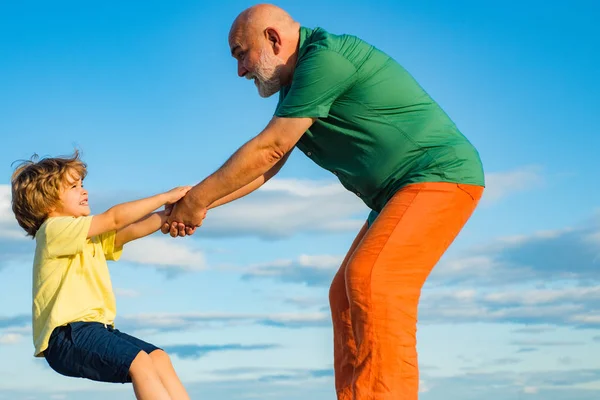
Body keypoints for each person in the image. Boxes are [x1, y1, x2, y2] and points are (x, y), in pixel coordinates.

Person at [164, 4, 485, 399]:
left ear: (274, 39)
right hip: (397, 193)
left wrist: (197, 200)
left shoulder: (326, 58)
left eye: (240, 54)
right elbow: (270, 165)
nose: (240, 71)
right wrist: (199, 205)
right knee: (345, 296)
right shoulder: (295, 85)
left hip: (439, 175)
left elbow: (270, 148)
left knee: (373, 280)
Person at [11, 151, 195, 400]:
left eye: (82, 184)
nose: (84, 191)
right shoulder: (52, 230)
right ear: (47, 202)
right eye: (74, 186)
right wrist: (165, 197)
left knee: (157, 358)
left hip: (95, 330)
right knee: (140, 362)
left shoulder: (86, 236)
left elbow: (129, 230)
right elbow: (114, 219)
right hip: (66, 335)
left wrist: (173, 215)